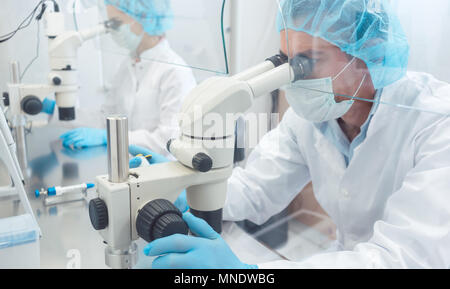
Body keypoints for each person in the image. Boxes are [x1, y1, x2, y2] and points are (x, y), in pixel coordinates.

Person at [131, 0, 450, 269]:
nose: (291, 80)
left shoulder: (437, 124)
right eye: (285, 59)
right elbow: (256, 189)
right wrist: (187, 185)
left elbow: (402, 258)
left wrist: (248, 273)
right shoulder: (313, 117)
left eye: (306, 62)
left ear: (367, 54)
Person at [59, 0, 196, 158]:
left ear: (145, 18)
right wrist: (57, 111)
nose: (112, 30)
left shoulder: (174, 71)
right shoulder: (127, 65)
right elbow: (107, 118)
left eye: (116, 22)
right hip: (131, 166)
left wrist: (109, 138)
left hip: (162, 172)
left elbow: (168, 139)